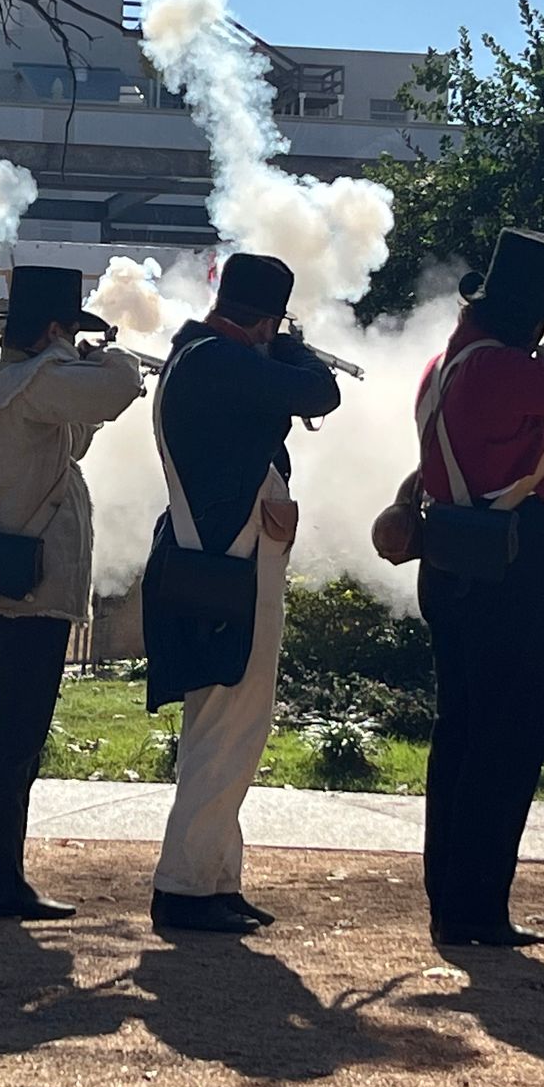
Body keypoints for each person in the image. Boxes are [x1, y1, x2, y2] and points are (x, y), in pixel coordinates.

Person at [415, 229, 544, 948]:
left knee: (463, 731)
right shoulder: (504, 369)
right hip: (512, 562)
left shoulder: (443, 365)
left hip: (454, 557)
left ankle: (452, 898)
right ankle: (477, 910)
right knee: (507, 740)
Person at [143, 253, 342, 935]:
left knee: (228, 728)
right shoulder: (217, 361)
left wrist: (277, 342)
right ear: (265, 318)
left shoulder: (202, 356)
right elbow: (320, 393)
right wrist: (293, 346)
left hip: (225, 561)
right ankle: (187, 887)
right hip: (230, 565)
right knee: (226, 729)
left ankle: (216, 878)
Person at [0, 266, 145, 921]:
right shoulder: (37, 381)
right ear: (52, 330)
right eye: (69, 331)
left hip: (12, 584)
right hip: (29, 591)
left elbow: (74, 439)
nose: (74, 341)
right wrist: (116, 356)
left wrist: (80, 366)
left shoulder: (7, 384)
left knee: (12, 740)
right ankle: (0, 885)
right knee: (13, 742)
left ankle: (2, 879)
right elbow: (119, 389)